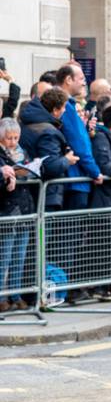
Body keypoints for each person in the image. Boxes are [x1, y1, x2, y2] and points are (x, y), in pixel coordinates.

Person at [54, 64, 103, 213]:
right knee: (70, 232)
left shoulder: (68, 106)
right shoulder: (66, 107)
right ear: (68, 79)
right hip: (75, 179)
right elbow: (79, 143)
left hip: (74, 178)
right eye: (81, 78)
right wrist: (95, 171)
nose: (84, 83)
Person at [0, 118, 36, 312]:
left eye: (16, 138)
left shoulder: (23, 152)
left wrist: (28, 172)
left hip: (24, 208)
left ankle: (15, 295)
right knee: (4, 258)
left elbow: (35, 170)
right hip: (7, 209)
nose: (13, 142)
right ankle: (1, 297)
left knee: (19, 258)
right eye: (9, 138)